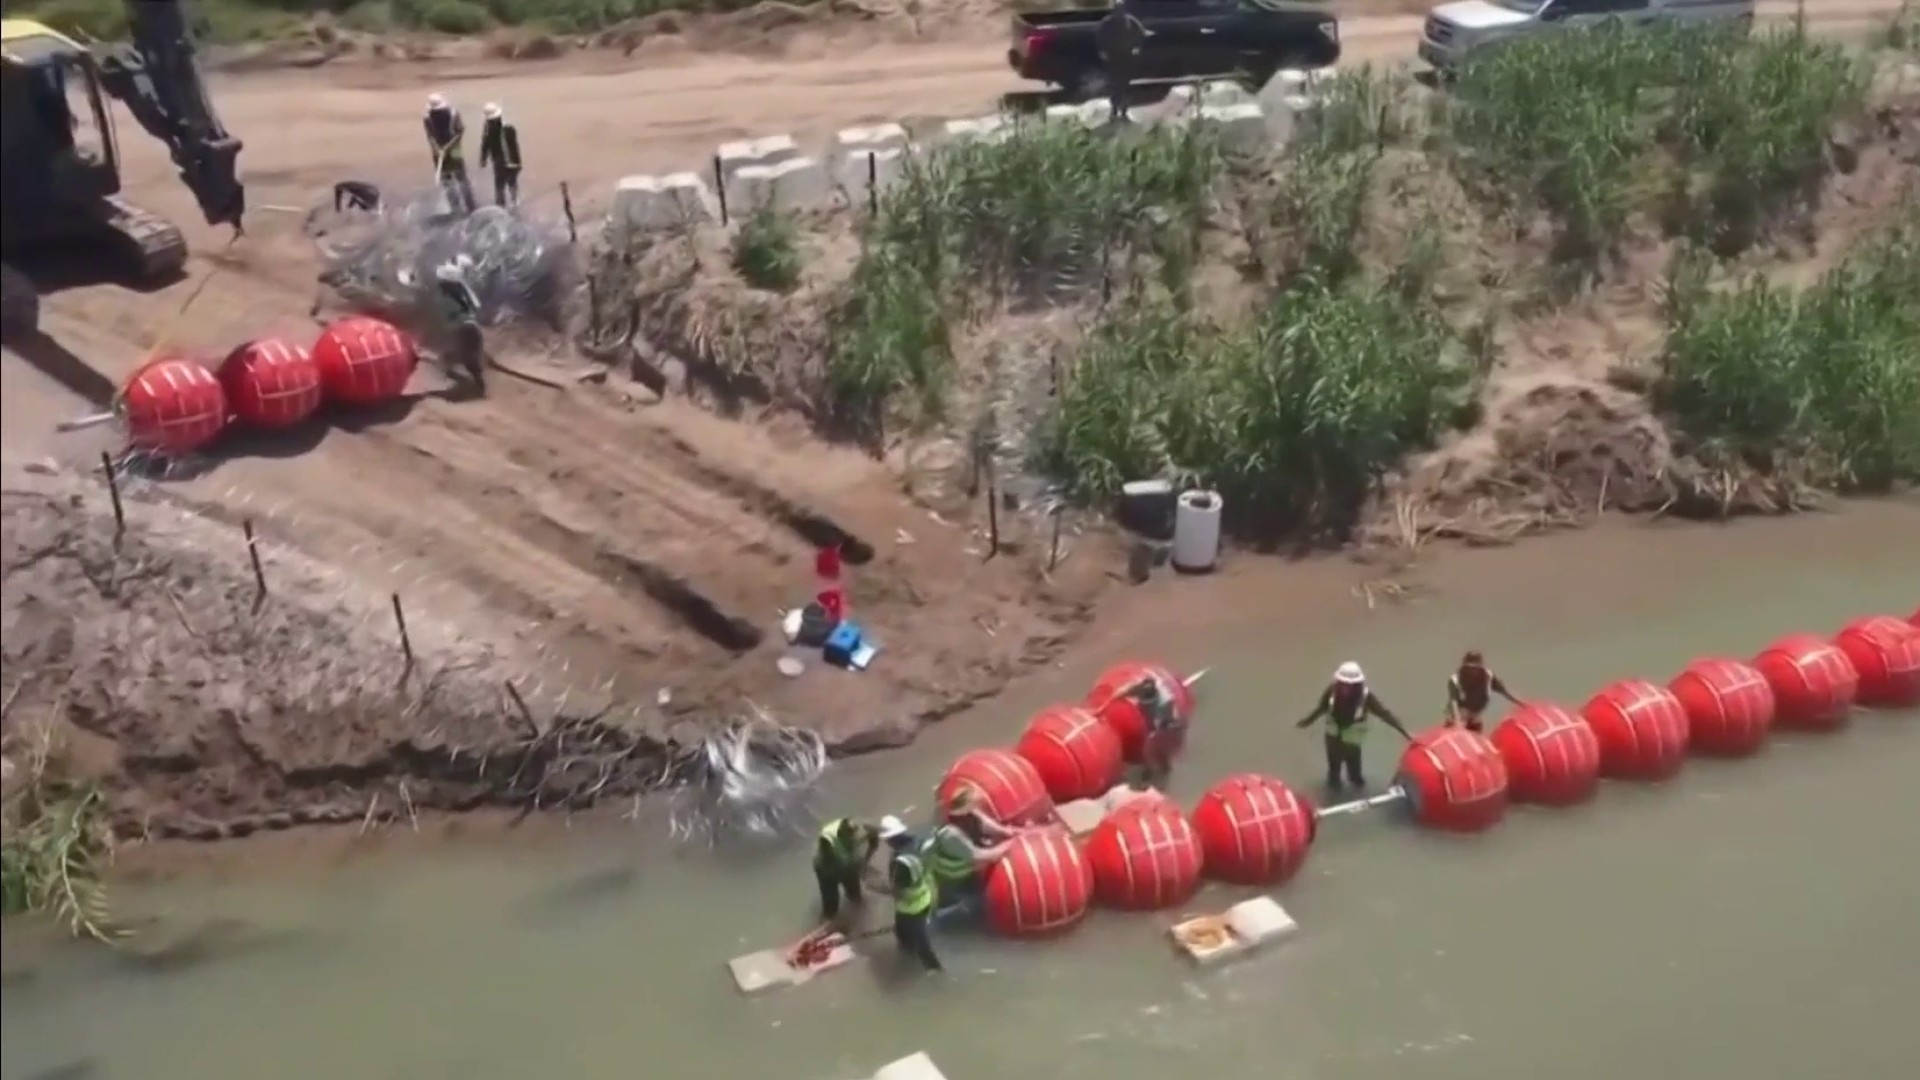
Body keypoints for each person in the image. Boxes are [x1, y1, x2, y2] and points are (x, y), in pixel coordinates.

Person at [1295, 662, 1412, 793]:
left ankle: (1358, 790)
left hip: (1352, 741)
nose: (1346, 688)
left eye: (1350, 685)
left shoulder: (1366, 697)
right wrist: (1306, 722)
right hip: (1333, 738)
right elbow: (1320, 709)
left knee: (1355, 775)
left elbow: (1384, 714)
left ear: (1357, 685)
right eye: (1343, 684)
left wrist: (1404, 732)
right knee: (1334, 773)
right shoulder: (1331, 692)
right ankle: (1335, 793)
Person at [921, 791, 1015, 923]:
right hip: (952, 878)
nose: (979, 807)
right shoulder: (951, 834)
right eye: (976, 804)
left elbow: (983, 823)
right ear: (966, 805)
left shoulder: (970, 813)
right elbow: (978, 856)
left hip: (966, 864)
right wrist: (1005, 847)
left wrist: (1005, 832)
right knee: (975, 905)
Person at [880, 815, 942, 972]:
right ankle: (908, 955)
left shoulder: (901, 862)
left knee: (922, 945)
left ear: (891, 839)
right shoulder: (920, 842)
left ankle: (935, 970)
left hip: (912, 908)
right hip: (926, 893)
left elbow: (900, 892)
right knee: (902, 932)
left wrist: (879, 888)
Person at [812, 816, 880, 924]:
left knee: (855, 895)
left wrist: (867, 860)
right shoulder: (829, 838)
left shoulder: (864, 828)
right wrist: (861, 867)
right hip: (826, 868)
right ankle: (826, 924)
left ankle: (857, 916)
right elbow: (844, 861)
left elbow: (874, 841)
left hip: (847, 862)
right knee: (831, 904)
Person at [1094, 0, 1150, 122]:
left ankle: (1124, 111)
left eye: (1121, 8)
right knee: (1114, 85)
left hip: (1127, 57)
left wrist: (1137, 47)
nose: (1119, 11)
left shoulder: (1130, 21)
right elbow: (1099, 36)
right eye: (1117, 9)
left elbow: (1141, 34)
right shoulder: (1107, 23)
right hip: (1113, 57)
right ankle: (1114, 109)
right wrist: (1102, 50)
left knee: (1125, 85)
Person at [423, 92, 476, 215]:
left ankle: (470, 207)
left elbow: (459, 131)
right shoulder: (427, 117)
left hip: (453, 149)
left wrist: (446, 147)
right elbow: (430, 136)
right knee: (446, 179)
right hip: (440, 152)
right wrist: (437, 148)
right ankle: (455, 206)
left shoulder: (453, 114)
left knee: (461, 177)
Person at [1127, 676, 1184, 790]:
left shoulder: (1165, 702)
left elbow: (1162, 724)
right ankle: (1149, 768)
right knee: (1147, 750)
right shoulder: (1139, 688)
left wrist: (1152, 734)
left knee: (1157, 749)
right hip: (1151, 719)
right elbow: (1125, 692)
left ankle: (1163, 770)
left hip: (1166, 724)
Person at [1445, 650, 1520, 733]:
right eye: (1470, 667)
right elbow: (1454, 702)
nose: (1473, 670)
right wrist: (1458, 722)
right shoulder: (1456, 678)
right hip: (1458, 718)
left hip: (1473, 718)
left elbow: (1505, 692)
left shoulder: (1488, 676)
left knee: (1475, 726)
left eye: (1475, 666)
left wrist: (1522, 704)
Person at [478, 102, 523, 209]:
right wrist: (483, 158)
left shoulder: (505, 128)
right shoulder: (506, 127)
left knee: (503, 184)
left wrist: (483, 159)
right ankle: (509, 203)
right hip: (503, 161)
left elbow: (513, 146)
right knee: (505, 183)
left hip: (505, 161)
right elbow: (486, 144)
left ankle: (507, 203)